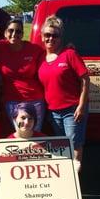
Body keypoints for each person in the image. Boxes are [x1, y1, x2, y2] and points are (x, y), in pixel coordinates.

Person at [37, 15, 89, 173]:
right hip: (53, 112)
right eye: (47, 35)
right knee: (62, 146)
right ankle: (67, 178)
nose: (51, 38)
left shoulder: (69, 54)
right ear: (42, 36)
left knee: (74, 145)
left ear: (61, 37)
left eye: (55, 35)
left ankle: (75, 179)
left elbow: (85, 80)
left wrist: (81, 106)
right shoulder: (40, 58)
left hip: (71, 110)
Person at [0, 18, 46, 132]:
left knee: (35, 134)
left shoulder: (34, 49)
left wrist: (66, 49)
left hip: (35, 100)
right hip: (12, 101)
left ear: (22, 34)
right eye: (11, 30)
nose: (14, 34)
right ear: (5, 33)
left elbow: (52, 54)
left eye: (18, 31)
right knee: (20, 134)